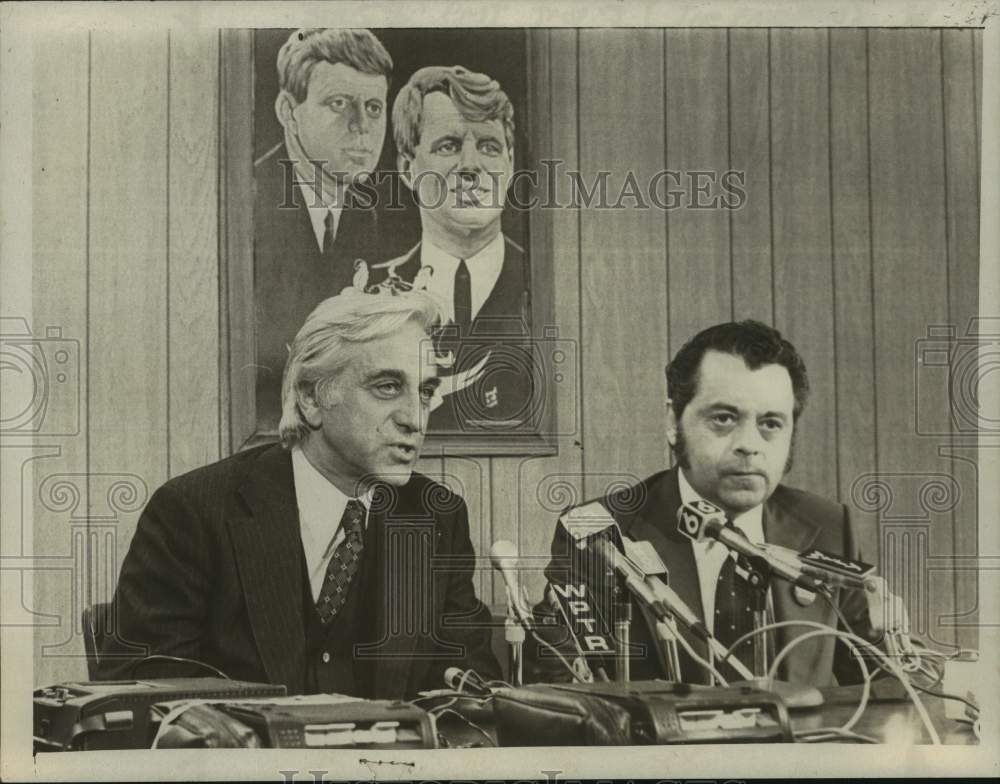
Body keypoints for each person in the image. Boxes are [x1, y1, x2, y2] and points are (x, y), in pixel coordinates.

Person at [99, 290, 501, 698]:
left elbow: (471, 693)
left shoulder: (435, 517)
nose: (416, 419)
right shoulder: (194, 511)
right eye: (387, 386)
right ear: (311, 399)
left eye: (427, 392)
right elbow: (143, 697)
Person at [535, 320, 873, 687]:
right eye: (724, 419)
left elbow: (889, 679)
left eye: (771, 423)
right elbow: (564, 687)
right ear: (672, 421)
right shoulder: (598, 532)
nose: (750, 444)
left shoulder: (827, 525)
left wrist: (894, 641)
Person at [254, 28, 412, 433]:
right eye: (339, 104)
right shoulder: (247, 204)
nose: (361, 126)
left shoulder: (382, 215)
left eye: (374, 107)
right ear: (288, 111)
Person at [370, 65, 533, 433]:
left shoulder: (549, 286)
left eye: (490, 147)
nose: (472, 166)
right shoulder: (370, 295)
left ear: (509, 165)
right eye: (449, 146)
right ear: (408, 169)